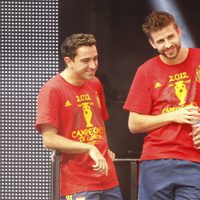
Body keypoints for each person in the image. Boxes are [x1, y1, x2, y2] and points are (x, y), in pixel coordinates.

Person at [35, 33, 123, 200]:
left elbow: (98, 123)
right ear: (69, 61)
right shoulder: (52, 89)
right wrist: (90, 148)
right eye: (85, 61)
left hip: (108, 178)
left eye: (95, 59)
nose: (93, 65)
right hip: (76, 183)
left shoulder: (95, 83)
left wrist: (104, 148)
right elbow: (49, 140)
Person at [123, 11, 200, 200]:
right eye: (160, 41)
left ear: (179, 31)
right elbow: (133, 124)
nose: (167, 45)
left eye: (170, 37)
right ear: (152, 43)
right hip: (155, 161)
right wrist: (173, 115)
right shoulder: (145, 71)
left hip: (194, 160)